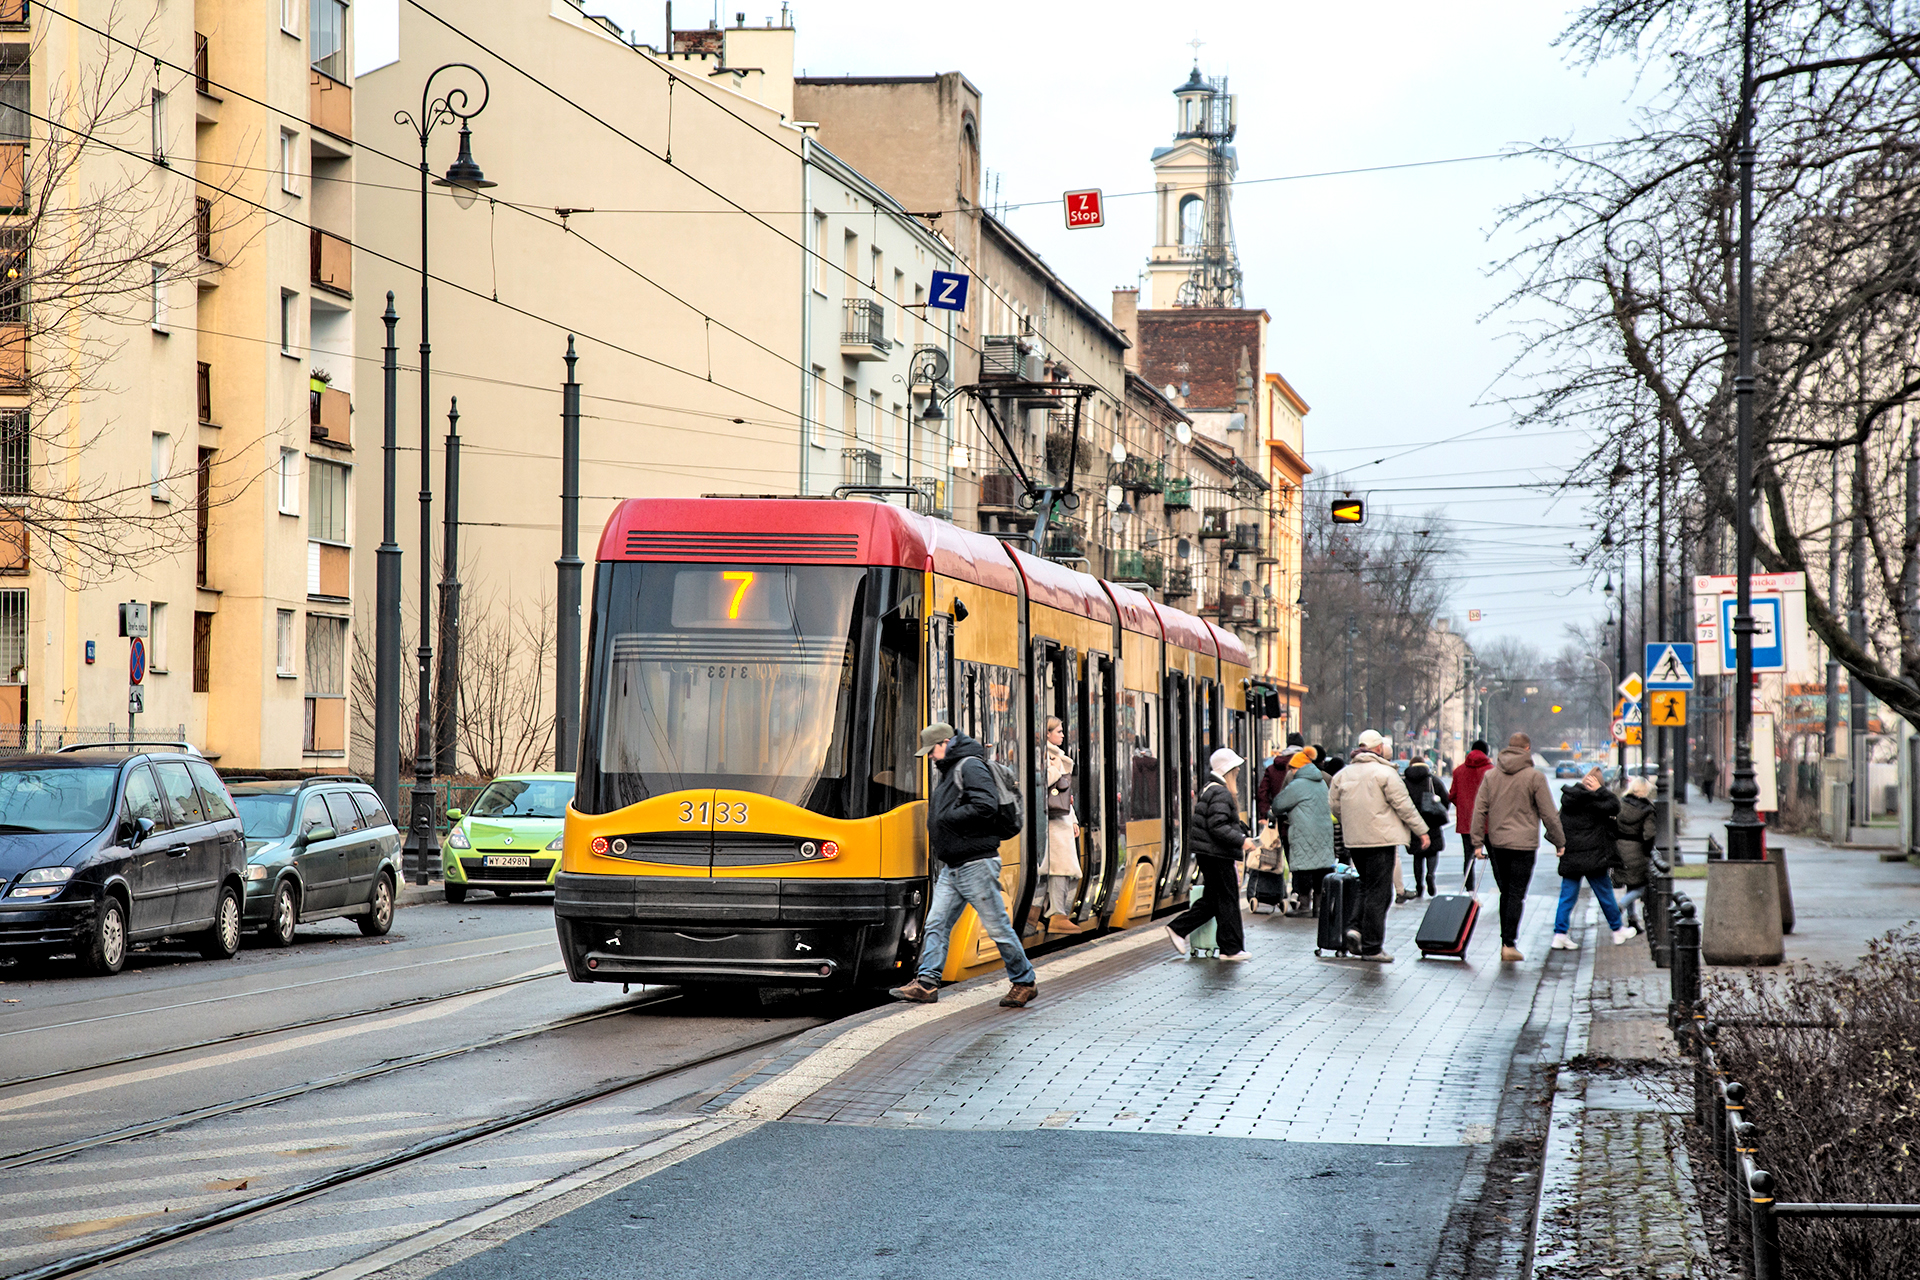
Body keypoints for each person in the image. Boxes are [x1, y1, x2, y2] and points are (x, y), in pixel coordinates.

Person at [889, 723, 1039, 1008]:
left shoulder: (970, 766)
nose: (931, 757)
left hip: (977, 864)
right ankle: (927, 983)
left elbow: (986, 805)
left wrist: (947, 818)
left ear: (946, 743)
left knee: (997, 928)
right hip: (955, 866)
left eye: (932, 751)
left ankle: (1024, 981)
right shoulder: (949, 769)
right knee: (936, 923)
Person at [1326, 730, 1430, 963]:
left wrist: (1351, 823)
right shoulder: (1385, 773)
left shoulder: (1343, 775)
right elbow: (1404, 806)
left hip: (1354, 840)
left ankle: (1355, 928)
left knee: (1365, 886)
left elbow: (1334, 806)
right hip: (1381, 840)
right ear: (1379, 749)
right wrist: (1421, 830)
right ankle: (1372, 947)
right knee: (1380, 892)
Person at [1470, 732, 1566, 964]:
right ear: (1527, 749)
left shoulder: (1491, 776)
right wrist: (1559, 841)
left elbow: (1479, 810)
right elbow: (1549, 814)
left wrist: (1476, 843)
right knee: (1516, 894)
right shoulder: (1535, 777)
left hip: (1498, 843)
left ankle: (1506, 941)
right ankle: (1509, 943)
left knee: (1506, 892)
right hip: (1524, 844)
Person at [1165, 747, 1257, 961]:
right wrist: (1242, 840)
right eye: (1235, 770)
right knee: (1227, 898)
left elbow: (1216, 823)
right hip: (1217, 854)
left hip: (1209, 853)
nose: (1238, 774)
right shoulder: (1221, 792)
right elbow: (1218, 826)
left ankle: (1180, 929)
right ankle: (1230, 948)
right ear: (1229, 771)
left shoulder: (1211, 789)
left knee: (1215, 898)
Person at [1553, 766, 1637, 949]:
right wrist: (1600, 791)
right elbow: (1615, 806)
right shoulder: (1597, 803)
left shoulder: (1569, 800)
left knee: (1567, 896)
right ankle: (1617, 930)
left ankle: (1559, 934)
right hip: (1594, 858)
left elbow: (1559, 824)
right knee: (1605, 894)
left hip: (1572, 857)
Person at [1271, 748, 1333, 918]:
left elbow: (1278, 805)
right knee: (1321, 867)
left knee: (1304, 868)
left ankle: (1304, 905)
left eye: (1292, 768)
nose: (1290, 772)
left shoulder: (1298, 785)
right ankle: (1319, 907)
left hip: (1304, 831)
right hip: (1324, 831)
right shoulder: (1321, 781)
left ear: (1299, 767)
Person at [1040, 716, 1083, 933]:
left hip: (1060, 819)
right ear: (1047, 733)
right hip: (1051, 822)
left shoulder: (1056, 755)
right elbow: (1042, 782)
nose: (1063, 735)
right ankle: (1056, 914)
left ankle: (1039, 911)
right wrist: (1056, 767)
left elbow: (1066, 795)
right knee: (1059, 868)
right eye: (1058, 731)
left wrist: (1073, 819)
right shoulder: (1046, 756)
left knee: (1059, 868)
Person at [1612, 775, 1658, 932]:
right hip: (1637, 849)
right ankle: (1620, 906)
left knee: (1631, 884)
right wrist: (1648, 852)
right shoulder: (1647, 810)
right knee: (1643, 885)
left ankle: (1633, 920)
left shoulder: (1620, 804)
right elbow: (1649, 834)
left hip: (1619, 848)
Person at [1401, 760, 1450, 899]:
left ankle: (1418, 885)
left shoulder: (1405, 782)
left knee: (1418, 855)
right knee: (1432, 851)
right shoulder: (1433, 781)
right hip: (1432, 819)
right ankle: (1430, 875)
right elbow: (1446, 800)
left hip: (1413, 820)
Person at [1450, 740, 1494, 876]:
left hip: (1466, 821)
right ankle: (1503, 892)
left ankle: (1469, 890)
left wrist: (1464, 806)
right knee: (1495, 859)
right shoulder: (1492, 771)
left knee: (1468, 859)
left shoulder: (1459, 771)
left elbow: (1452, 795)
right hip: (1488, 822)